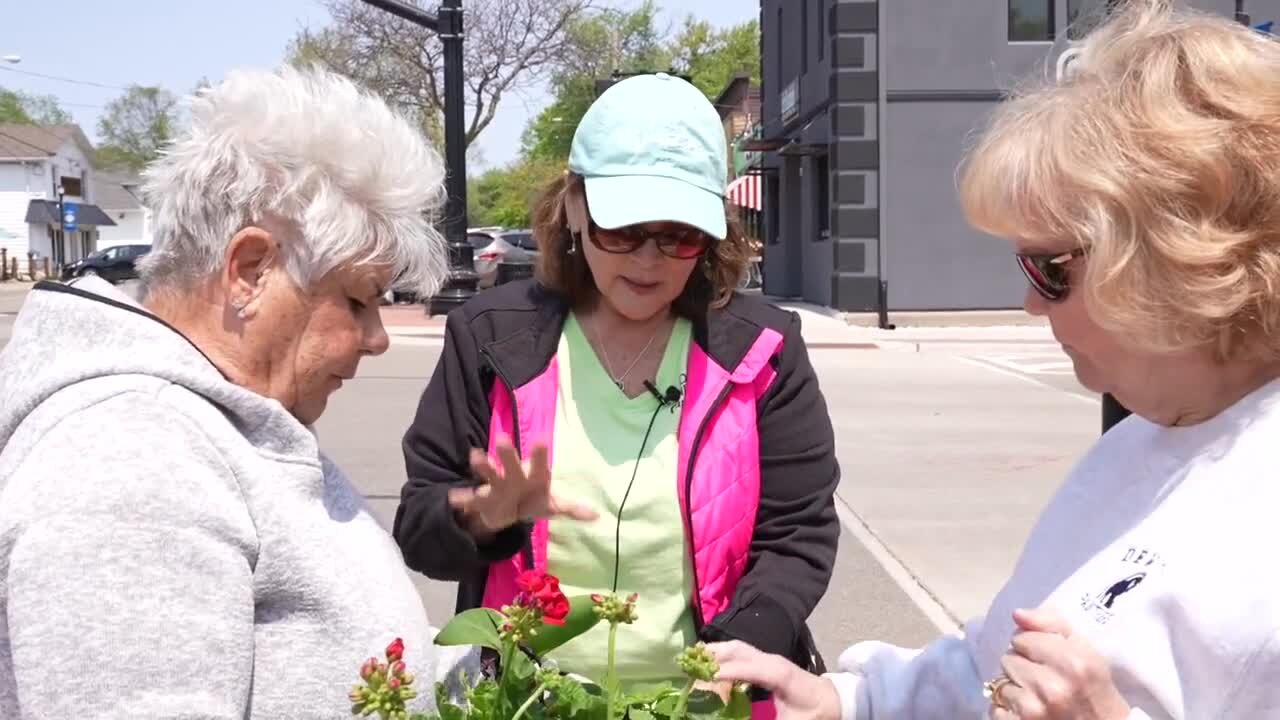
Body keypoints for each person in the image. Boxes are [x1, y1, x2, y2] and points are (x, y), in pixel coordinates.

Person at [706, 2, 1280, 718]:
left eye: (1049, 267)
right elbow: (992, 668)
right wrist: (845, 701)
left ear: (1177, 257)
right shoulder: (1140, 443)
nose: (1032, 304)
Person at [0, 66, 465, 718]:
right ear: (250, 270)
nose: (376, 338)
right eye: (358, 300)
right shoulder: (132, 463)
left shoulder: (220, 422)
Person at [394, 72, 841, 712]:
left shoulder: (764, 349)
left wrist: (739, 651)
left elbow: (799, 533)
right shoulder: (488, 338)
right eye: (623, 230)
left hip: (705, 702)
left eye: (678, 235)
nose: (648, 259)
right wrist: (483, 514)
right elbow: (418, 528)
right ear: (575, 207)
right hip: (528, 700)